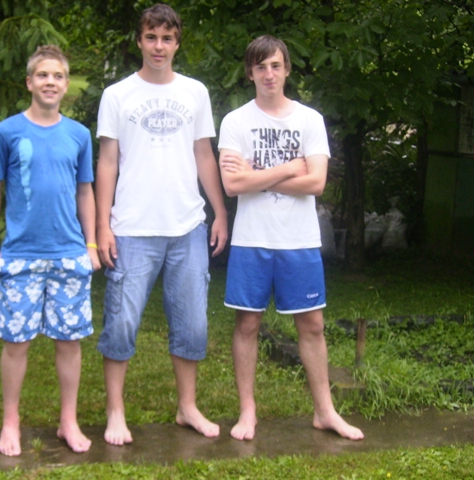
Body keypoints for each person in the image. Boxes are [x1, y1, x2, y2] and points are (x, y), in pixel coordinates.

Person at [218, 35, 364, 442]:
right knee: (247, 324)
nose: (269, 74)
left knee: (312, 325)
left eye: (276, 65)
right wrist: (287, 168)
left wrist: (256, 175)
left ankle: (325, 412)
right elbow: (232, 185)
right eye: (261, 67)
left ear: (286, 70)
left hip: (299, 241)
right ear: (250, 73)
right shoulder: (235, 122)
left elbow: (316, 183)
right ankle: (248, 412)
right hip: (252, 239)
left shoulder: (309, 120)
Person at [95, 3, 228, 446]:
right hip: (131, 228)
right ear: (139, 41)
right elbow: (107, 161)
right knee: (121, 323)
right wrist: (103, 226)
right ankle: (115, 412)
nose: (158, 46)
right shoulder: (117, 95)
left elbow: (204, 155)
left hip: (187, 227)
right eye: (151, 37)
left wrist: (220, 212)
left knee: (192, 325)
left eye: (167, 38)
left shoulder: (195, 92)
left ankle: (187, 407)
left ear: (177, 43)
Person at [0, 45, 100, 456]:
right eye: (43, 75)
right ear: (30, 82)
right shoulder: (7, 132)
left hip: (69, 254)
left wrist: (91, 245)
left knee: (69, 342)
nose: (51, 82)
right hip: (20, 257)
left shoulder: (79, 135)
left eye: (58, 76)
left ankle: (68, 421)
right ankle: (10, 423)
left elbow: (85, 191)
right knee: (17, 343)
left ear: (66, 85)